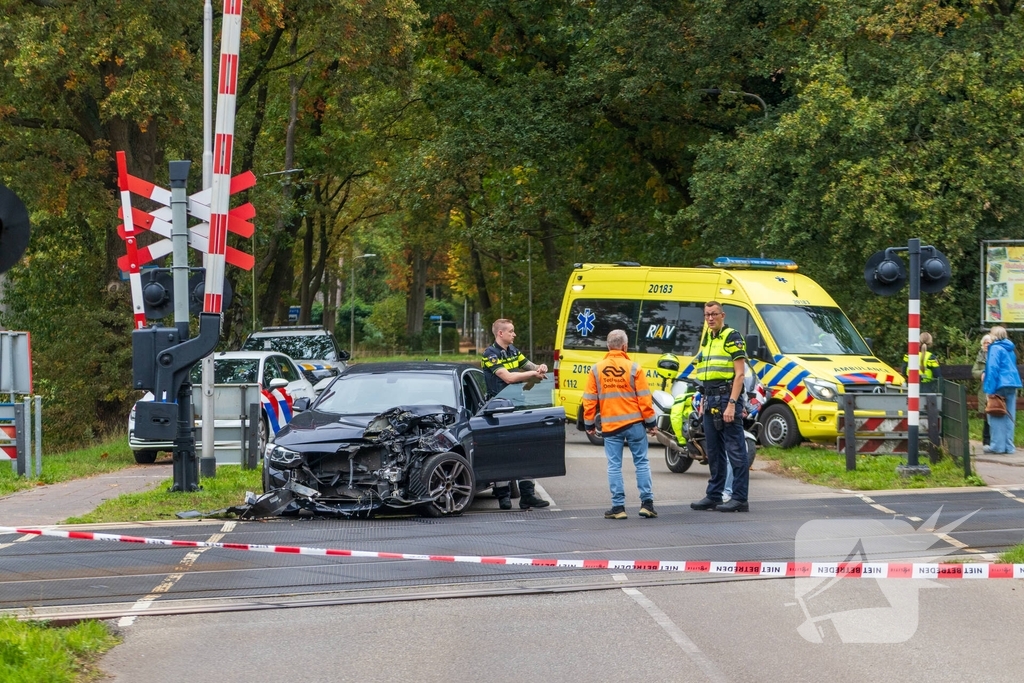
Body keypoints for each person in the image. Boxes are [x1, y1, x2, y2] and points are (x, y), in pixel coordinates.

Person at [582, 329, 657, 519]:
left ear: (608, 346)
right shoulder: (634, 368)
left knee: (614, 465)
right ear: (625, 346)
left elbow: (589, 400)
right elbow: (644, 399)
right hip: (634, 423)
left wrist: (589, 424)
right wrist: (651, 422)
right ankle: (647, 504)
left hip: (610, 426)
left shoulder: (596, 369)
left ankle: (618, 508)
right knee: (641, 462)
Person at [480, 318, 551, 510]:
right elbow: (509, 378)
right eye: (511, 331)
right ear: (500, 333)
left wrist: (540, 368)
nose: (514, 334)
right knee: (502, 452)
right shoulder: (490, 354)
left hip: (518, 406)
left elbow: (529, 365)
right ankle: (503, 496)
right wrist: (532, 374)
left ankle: (527, 495)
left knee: (525, 449)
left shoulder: (513, 351)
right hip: (498, 408)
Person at [690, 301, 750, 512]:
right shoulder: (708, 338)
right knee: (714, 451)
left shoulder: (732, 337)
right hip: (710, 399)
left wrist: (732, 404)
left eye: (714, 314)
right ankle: (714, 495)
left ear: (723, 315)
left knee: (735, 450)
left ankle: (740, 498)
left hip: (726, 398)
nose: (710, 318)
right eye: (707, 315)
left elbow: (740, 374)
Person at [982, 326, 1021, 454]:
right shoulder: (1010, 348)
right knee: (1009, 415)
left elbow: (993, 369)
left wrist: (990, 389)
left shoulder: (995, 348)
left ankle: (997, 446)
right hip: (1012, 383)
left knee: (996, 413)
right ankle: (1009, 446)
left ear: (994, 335)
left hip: (999, 384)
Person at [972, 334, 993, 448]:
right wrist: (982, 373)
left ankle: (994, 439)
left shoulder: (995, 354)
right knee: (986, 414)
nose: (986, 345)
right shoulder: (980, 357)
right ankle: (986, 440)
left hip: (994, 388)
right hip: (984, 389)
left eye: (988, 343)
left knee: (994, 412)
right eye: (984, 343)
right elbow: (974, 371)